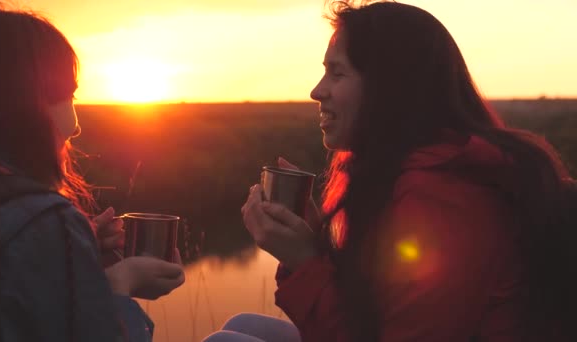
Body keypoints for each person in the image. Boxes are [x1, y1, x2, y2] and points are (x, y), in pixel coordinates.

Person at [239, 1, 577, 341]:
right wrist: (315, 244)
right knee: (245, 327)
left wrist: (304, 263)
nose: (317, 90)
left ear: (389, 87)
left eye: (337, 73)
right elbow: (372, 314)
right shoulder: (406, 171)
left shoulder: (443, 197)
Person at [0, 3, 185, 342]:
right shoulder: (46, 219)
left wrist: (76, 261)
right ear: (21, 106)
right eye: (67, 96)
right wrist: (116, 286)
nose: (75, 127)